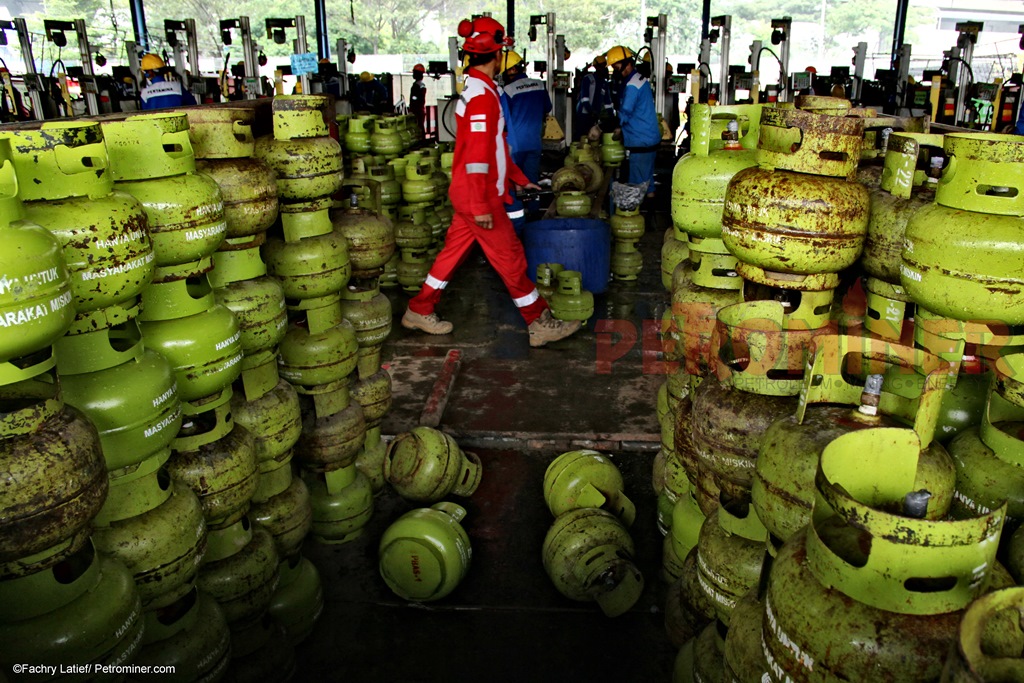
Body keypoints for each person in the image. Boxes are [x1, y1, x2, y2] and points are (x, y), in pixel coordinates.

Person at [402, 16, 581, 348]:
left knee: (450, 256)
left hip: (469, 194)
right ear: (496, 55)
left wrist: (518, 178)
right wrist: (483, 204)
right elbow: (477, 155)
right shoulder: (483, 97)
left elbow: (493, 146)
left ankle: (418, 308)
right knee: (511, 258)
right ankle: (539, 322)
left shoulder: (477, 89)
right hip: (479, 197)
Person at [499, 50, 551, 225]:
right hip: (534, 141)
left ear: (509, 71)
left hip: (515, 143)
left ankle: (517, 217)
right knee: (532, 179)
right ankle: (535, 216)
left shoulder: (507, 89)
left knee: (514, 182)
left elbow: (503, 116)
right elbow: (547, 108)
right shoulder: (539, 85)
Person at [603, 45, 661, 198]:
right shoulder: (638, 80)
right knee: (647, 185)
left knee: (636, 187)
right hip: (648, 138)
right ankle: (651, 218)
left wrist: (603, 126)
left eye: (617, 67)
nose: (615, 71)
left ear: (627, 64)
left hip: (641, 141)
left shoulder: (632, 85)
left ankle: (635, 218)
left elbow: (625, 112)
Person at [576, 55, 615, 139]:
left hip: (595, 116)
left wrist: (612, 118)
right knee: (582, 137)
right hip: (583, 115)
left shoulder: (604, 83)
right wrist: (591, 112)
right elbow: (584, 99)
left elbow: (608, 103)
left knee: (594, 138)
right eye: (602, 66)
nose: (605, 68)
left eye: (605, 65)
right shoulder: (588, 79)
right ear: (596, 67)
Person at [410, 63, 428, 135]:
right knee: (419, 127)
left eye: (414, 72)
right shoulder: (420, 85)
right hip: (419, 110)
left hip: (417, 110)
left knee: (418, 127)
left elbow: (415, 99)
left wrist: (412, 109)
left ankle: (421, 142)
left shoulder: (417, 86)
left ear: (418, 74)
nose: (413, 74)